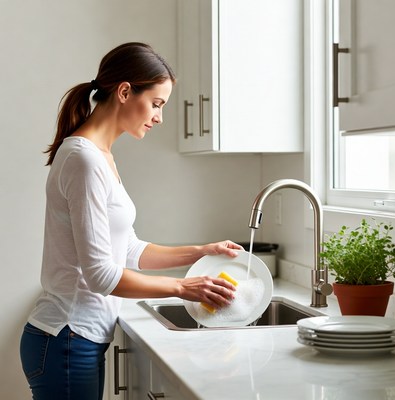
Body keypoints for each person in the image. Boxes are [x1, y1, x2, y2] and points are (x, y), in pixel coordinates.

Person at [19, 42, 242, 400]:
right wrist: (183, 288)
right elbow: (101, 275)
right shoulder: (84, 159)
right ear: (124, 91)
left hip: (74, 340)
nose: (159, 117)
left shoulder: (101, 156)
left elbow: (129, 249)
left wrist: (202, 251)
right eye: (156, 104)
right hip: (67, 338)